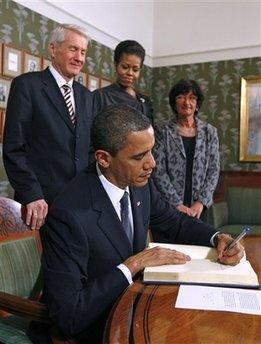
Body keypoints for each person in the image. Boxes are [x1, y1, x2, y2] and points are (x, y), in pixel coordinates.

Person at [41, 104, 243, 343]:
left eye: (151, 151)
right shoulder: (68, 214)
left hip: (136, 307)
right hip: (99, 328)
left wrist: (218, 237)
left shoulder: (140, 185)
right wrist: (133, 264)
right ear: (103, 158)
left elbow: (175, 222)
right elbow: (68, 315)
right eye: (139, 156)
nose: (152, 163)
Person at [3, 24, 94, 230]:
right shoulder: (26, 86)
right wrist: (32, 194)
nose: (79, 58)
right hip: (40, 206)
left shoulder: (87, 96)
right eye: (73, 49)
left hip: (79, 204)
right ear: (53, 49)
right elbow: (14, 149)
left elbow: (89, 150)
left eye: (83, 52)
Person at [153, 79, 220, 226]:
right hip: (169, 207)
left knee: (199, 246)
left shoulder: (210, 132)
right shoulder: (162, 130)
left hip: (200, 209)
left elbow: (214, 170)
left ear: (197, 103)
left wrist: (201, 202)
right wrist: (176, 203)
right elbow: (158, 170)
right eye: (181, 97)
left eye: (192, 98)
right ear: (174, 102)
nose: (186, 102)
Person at [93, 40, 153, 124]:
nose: (130, 73)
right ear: (115, 65)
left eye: (135, 69)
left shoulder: (144, 102)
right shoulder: (100, 96)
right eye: (125, 67)